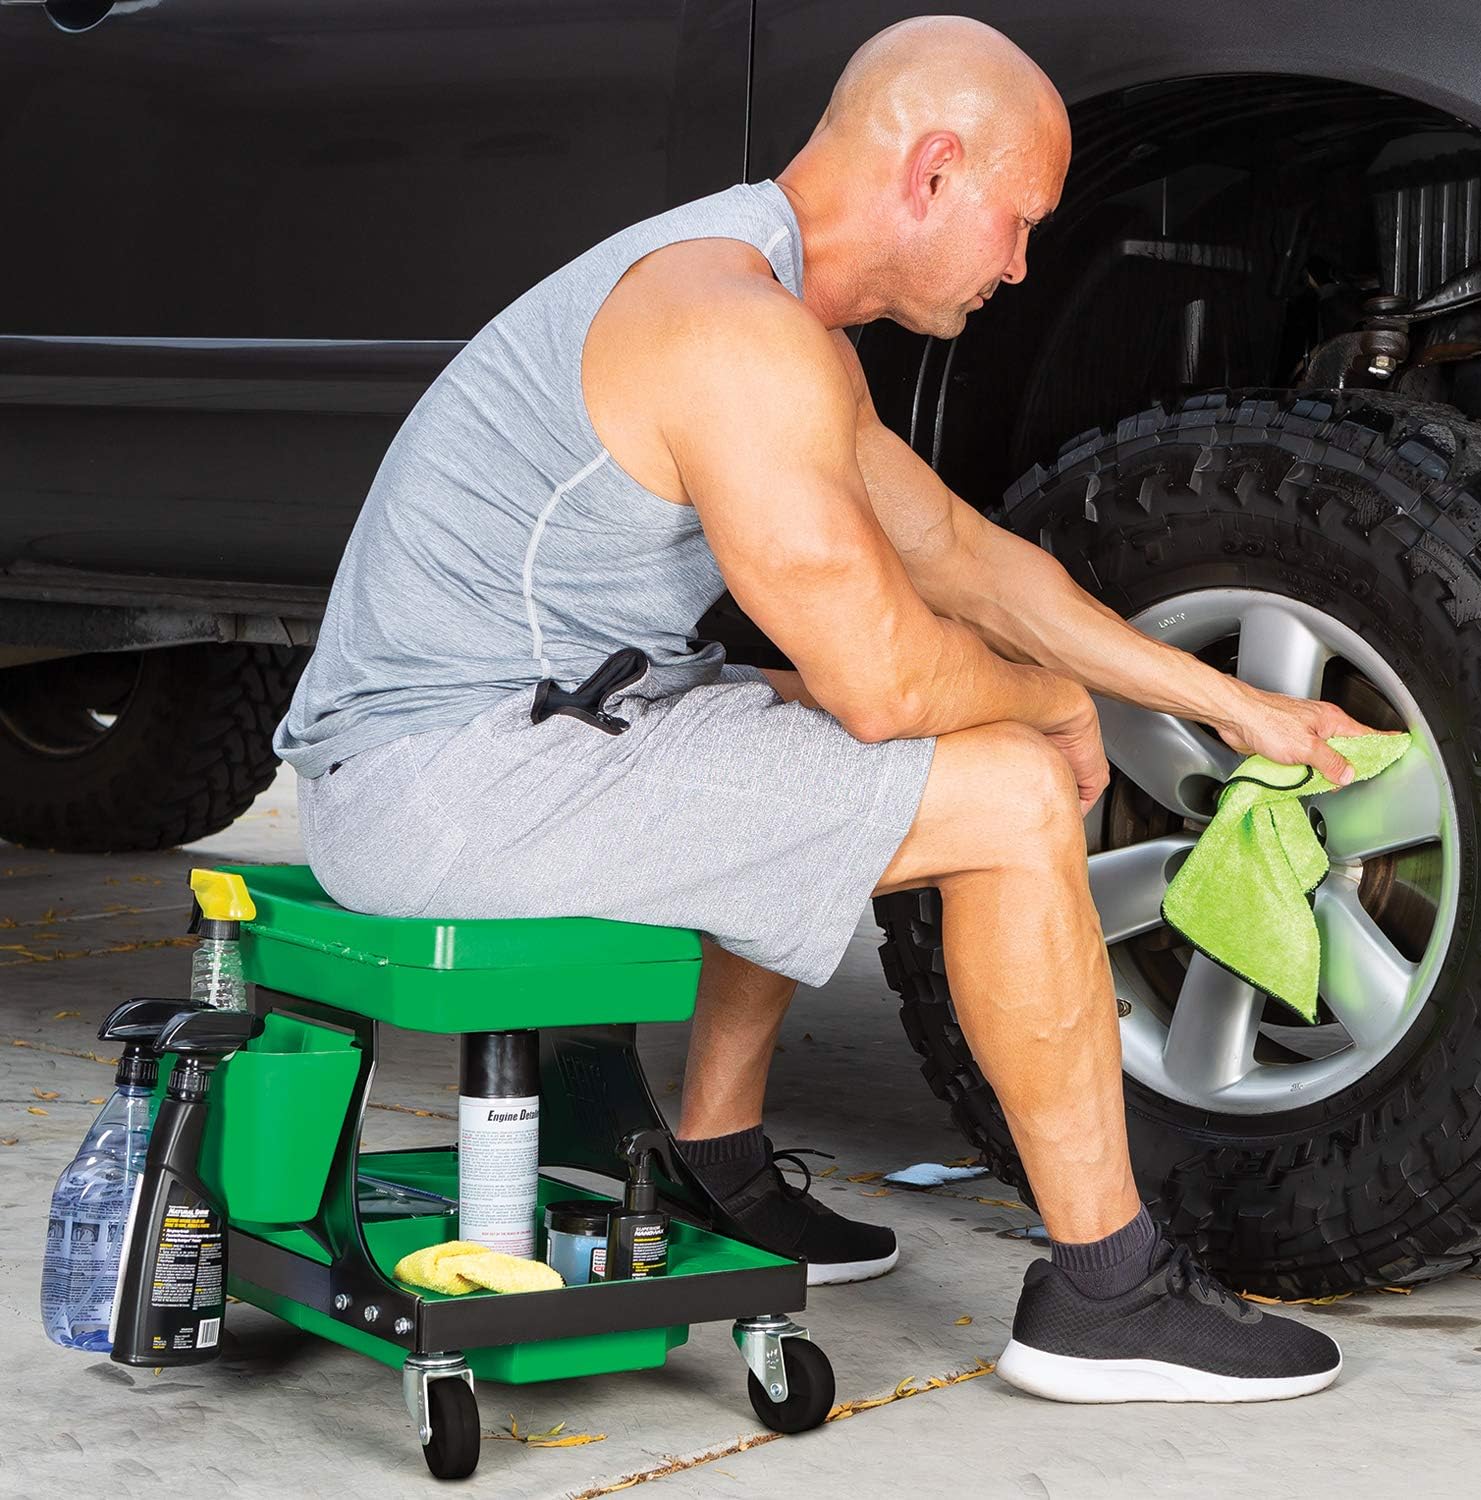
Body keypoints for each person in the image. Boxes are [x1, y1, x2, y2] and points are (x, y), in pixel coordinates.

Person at [277, 15, 1365, 1402]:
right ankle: (1108, 1289)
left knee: (815, 725)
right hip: (444, 778)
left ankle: (720, 1159)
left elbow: (967, 559)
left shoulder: (767, 304)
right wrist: (1054, 715)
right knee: (1001, 789)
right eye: (1018, 219)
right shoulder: (733, 332)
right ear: (929, 174)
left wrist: (1224, 704)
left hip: (529, 729)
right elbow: (891, 681)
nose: (1025, 264)